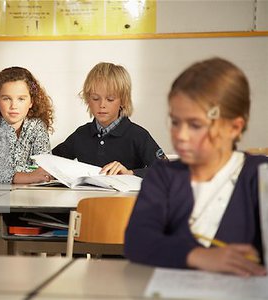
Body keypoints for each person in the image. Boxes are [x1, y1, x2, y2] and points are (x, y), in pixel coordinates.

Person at [125, 57, 267, 277]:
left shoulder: (259, 176)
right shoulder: (163, 176)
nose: (181, 136)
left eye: (195, 125)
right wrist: (198, 256)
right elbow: (138, 241)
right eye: (175, 122)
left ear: (234, 127)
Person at [52, 62, 165, 177]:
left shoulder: (138, 135)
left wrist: (130, 173)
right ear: (88, 100)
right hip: (86, 195)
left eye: (110, 99)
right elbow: (51, 160)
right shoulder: (81, 135)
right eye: (95, 98)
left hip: (125, 195)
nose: (102, 105)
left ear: (123, 100)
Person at [0, 66, 54, 184]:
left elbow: (44, 169)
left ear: (31, 102)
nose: (13, 106)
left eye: (21, 99)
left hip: (30, 196)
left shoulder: (37, 127)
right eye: (7, 98)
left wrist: (1, 174)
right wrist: (28, 177)